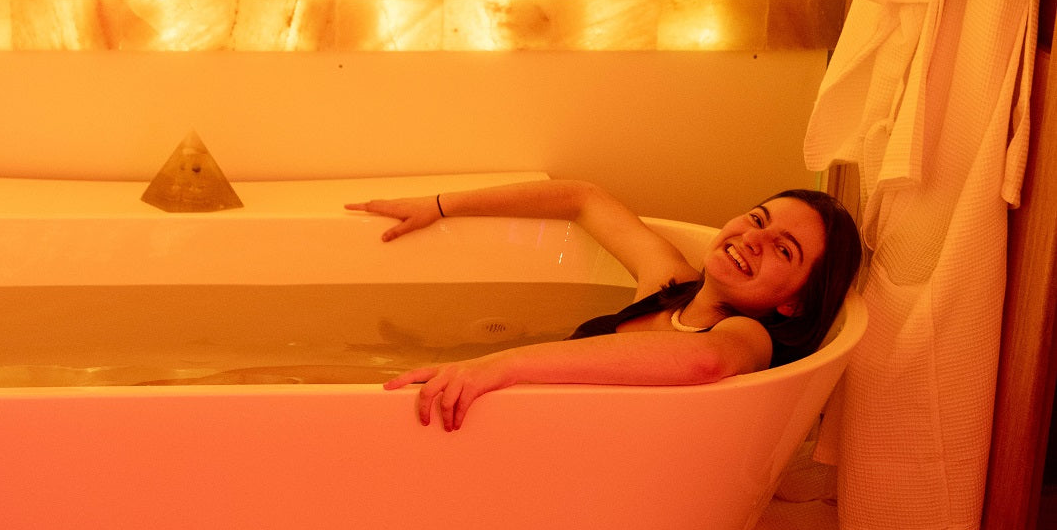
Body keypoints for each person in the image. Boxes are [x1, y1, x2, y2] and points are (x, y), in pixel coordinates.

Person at [345, 179, 862, 431]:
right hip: (502, 422)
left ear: (795, 303)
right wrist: (438, 206)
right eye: (758, 219)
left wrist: (502, 365)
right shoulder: (669, 284)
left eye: (784, 250)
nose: (755, 238)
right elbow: (583, 199)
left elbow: (702, 362)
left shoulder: (749, 337)